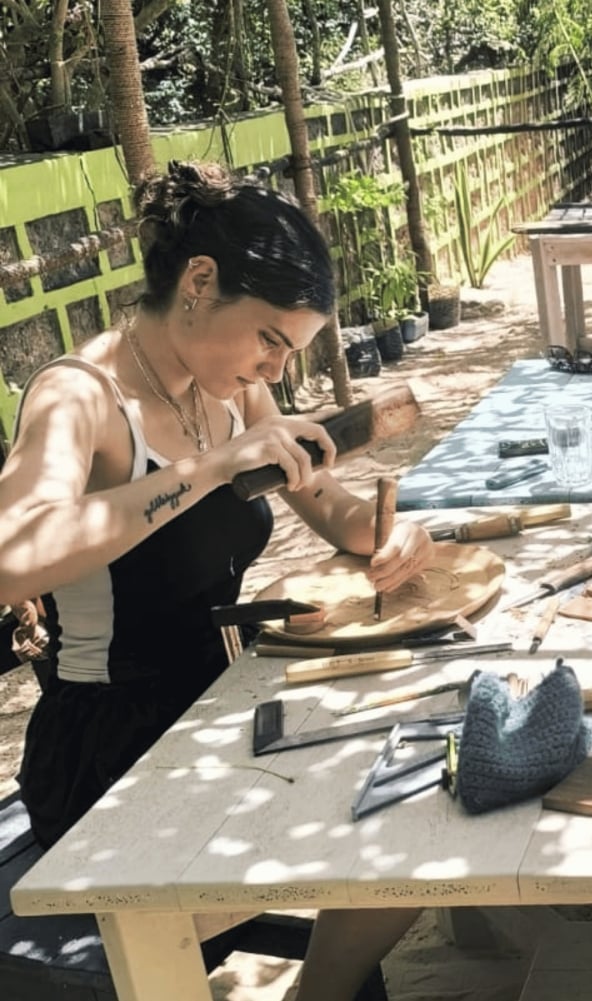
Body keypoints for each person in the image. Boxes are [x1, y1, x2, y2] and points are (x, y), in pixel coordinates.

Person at [0, 160, 429, 999]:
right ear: (200, 280)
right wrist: (202, 470)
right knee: (375, 823)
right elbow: (12, 553)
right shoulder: (79, 395)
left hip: (218, 706)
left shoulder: (229, 394)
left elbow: (335, 509)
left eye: (291, 351)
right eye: (271, 339)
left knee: (413, 797)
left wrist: (390, 532)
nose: (276, 370)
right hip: (109, 748)